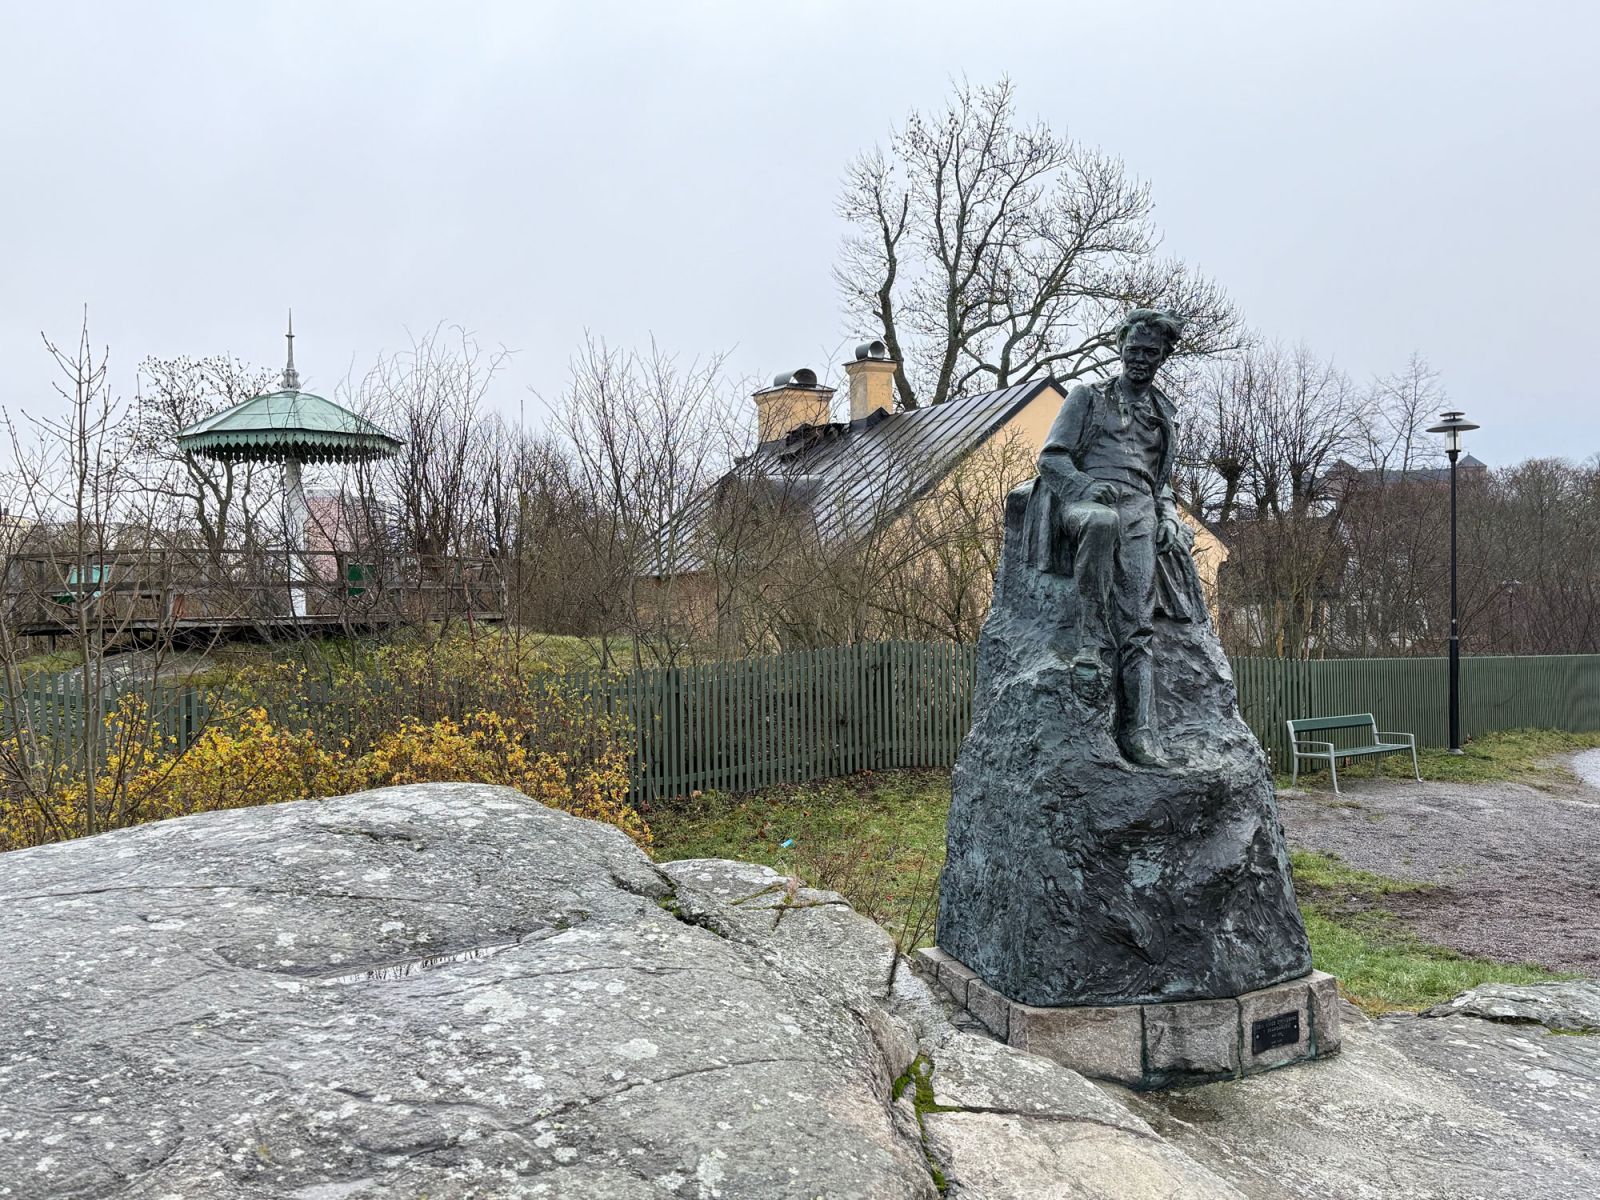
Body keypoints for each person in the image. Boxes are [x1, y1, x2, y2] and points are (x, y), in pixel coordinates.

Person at [1026, 308, 1192, 766]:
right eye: (1133, 350)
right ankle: (1088, 640)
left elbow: (1162, 486)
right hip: (1086, 502)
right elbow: (1052, 459)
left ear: (1163, 357)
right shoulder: (1086, 397)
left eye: (1150, 353)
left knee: (1138, 625)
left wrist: (1170, 518)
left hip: (1139, 510)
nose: (1140, 359)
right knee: (1101, 523)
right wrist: (1083, 486)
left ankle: (1139, 733)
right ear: (1120, 349)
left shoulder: (1162, 415)